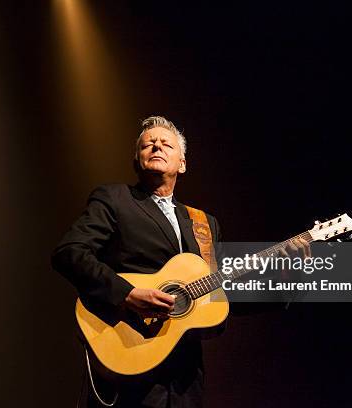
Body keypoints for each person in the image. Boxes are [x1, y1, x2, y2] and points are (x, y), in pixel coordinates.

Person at [52, 115, 311, 407]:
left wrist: (288, 279)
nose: (156, 147)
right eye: (148, 145)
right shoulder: (114, 199)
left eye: (166, 144)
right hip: (128, 363)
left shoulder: (204, 223)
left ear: (183, 163)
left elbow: (220, 296)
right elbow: (70, 252)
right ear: (137, 160)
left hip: (184, 381)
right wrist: (127, 294)